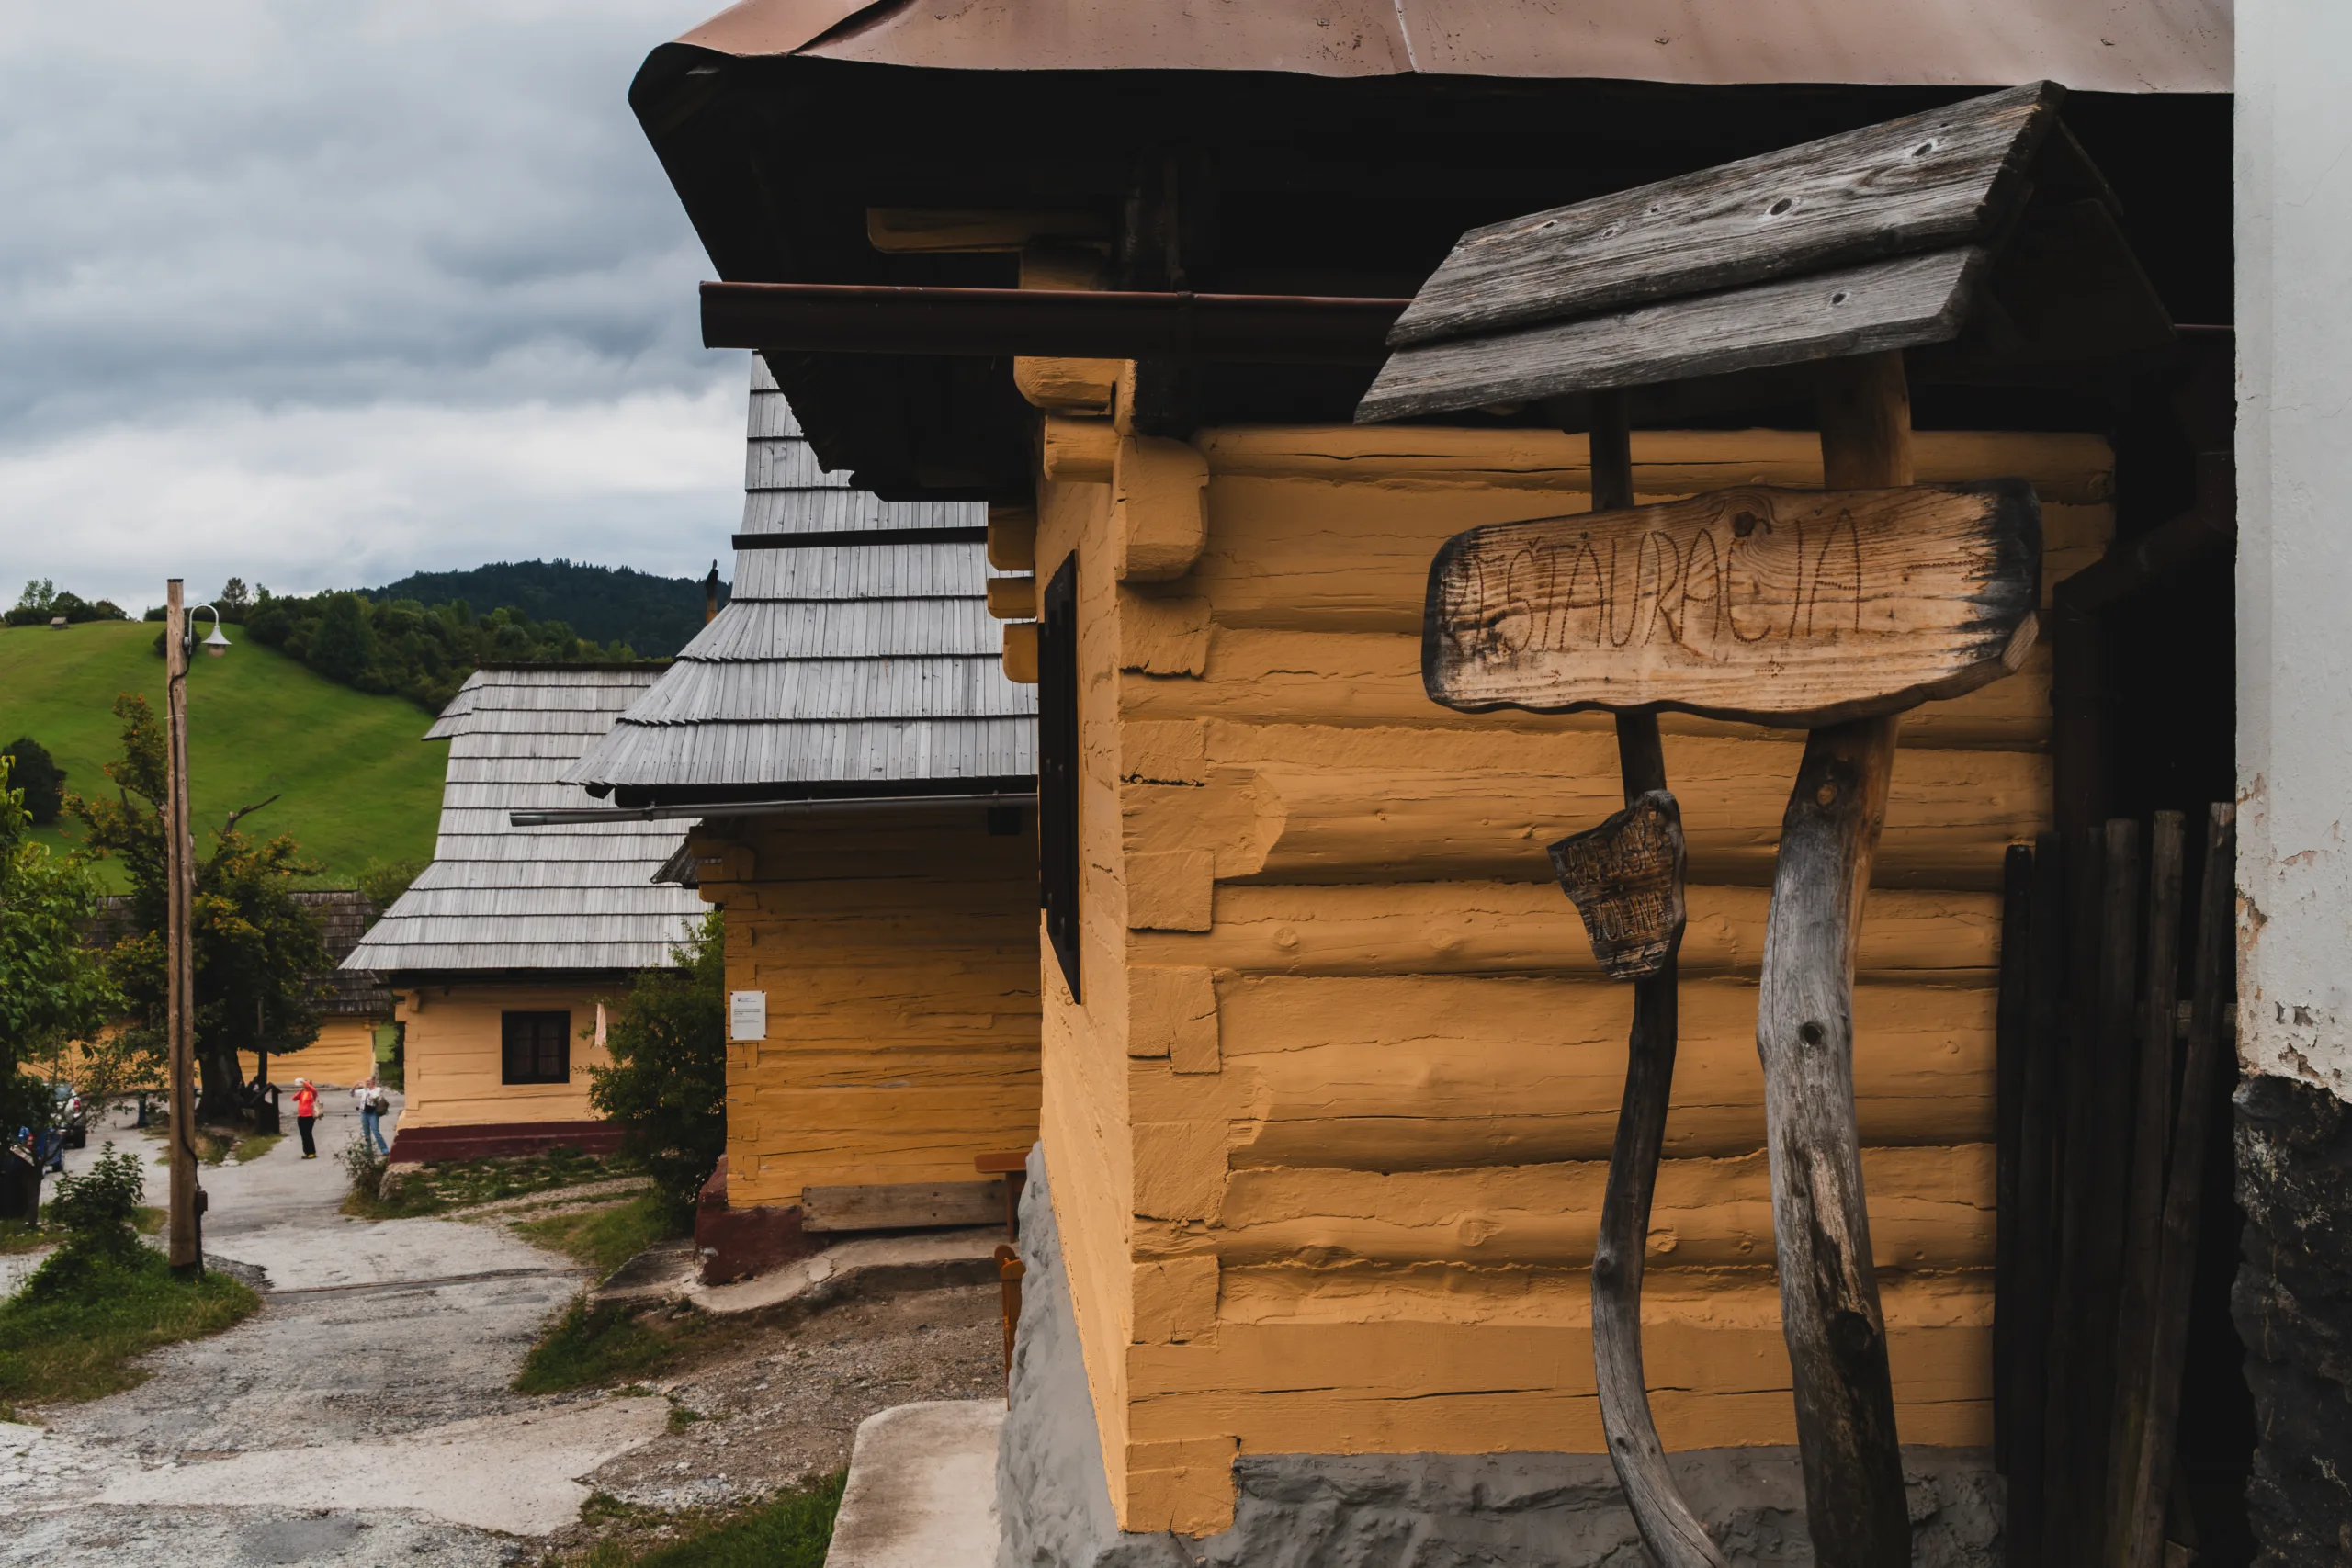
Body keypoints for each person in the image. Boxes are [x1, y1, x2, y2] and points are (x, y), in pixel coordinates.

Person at [354, 1076, 390, 1156]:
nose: (367, 1083)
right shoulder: (364, 1090)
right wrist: (355, 1086)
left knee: (375, 1132)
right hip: (364, 1113)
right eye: (366, 1081)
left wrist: (364, 1088)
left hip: (373, 1113)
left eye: (369, 1081)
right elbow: (352, 1094)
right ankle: (369, 1150)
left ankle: (385, 1150)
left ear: (373, 1081)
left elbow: (373, 1097)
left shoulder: (377, 1089)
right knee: (366, 1133)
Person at [292, 1078, 319, 1158]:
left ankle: (312, 1152)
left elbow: (314, 1090)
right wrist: (300, 1091)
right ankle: (306, 1152)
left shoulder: (312, 1093)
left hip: (309, 1116)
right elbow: (294, 1098)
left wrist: (304, 1082)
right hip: (301, 1116)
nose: (305, 1084)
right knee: (303, 1134)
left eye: (307, 1083)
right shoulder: (302, 1092)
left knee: (308, 1133)